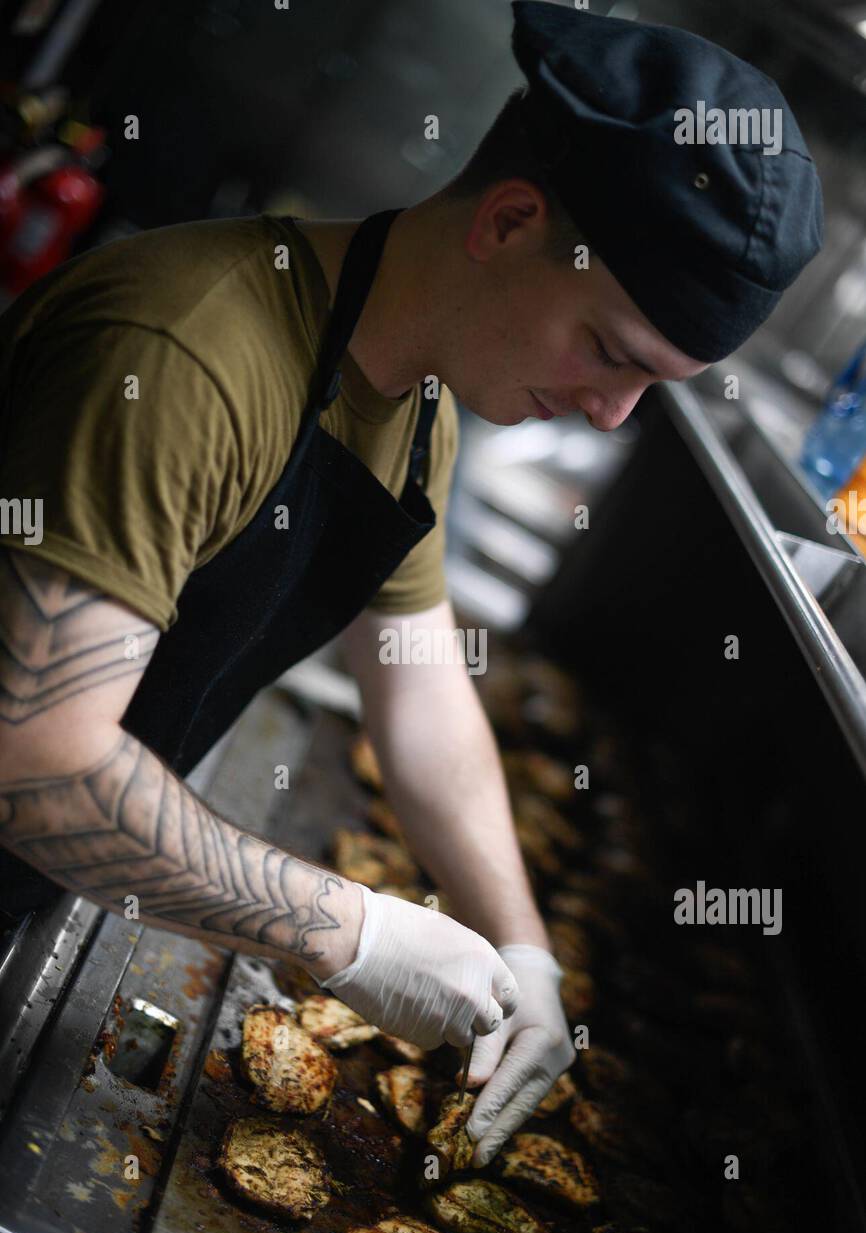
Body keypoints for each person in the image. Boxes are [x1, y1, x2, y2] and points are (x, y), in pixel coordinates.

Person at [0, 2, 822, 1165]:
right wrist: (350, 931)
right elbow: (33, 758)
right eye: (610, 353)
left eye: (653, 391)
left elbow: (422, 687)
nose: (608, 412)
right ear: (508, 220)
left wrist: (522, 948)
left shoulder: (415, 399)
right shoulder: (185, 353)